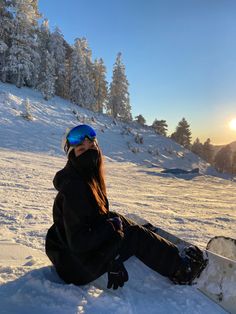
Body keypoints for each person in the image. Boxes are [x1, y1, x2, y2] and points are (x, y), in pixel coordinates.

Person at [45, 124, 206, 290]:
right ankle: (182, 270)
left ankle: (150, 239)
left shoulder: (83, 177)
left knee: (114, 216)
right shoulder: (76, 188)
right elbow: (79, 243)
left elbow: (91, 219)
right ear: (72, 156)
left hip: (72, 257)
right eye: (81, 150)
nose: (90, 154)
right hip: (78, 266)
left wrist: (112, 224)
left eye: (92, 148)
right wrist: (111, 256)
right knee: (134, 235)